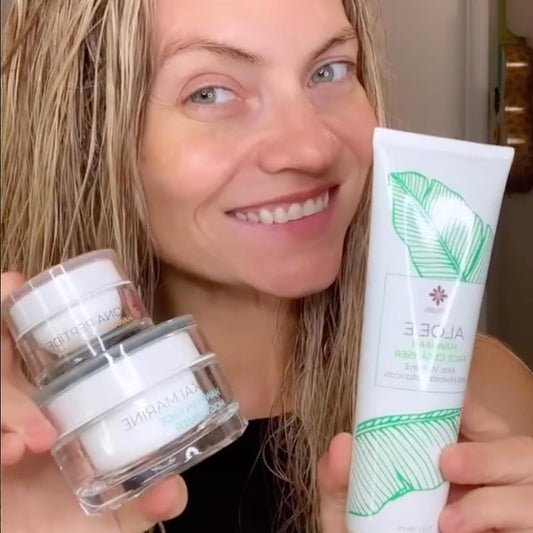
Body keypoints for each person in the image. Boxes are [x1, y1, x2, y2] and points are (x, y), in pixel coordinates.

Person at [1, 1, 532, 532]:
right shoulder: (24, 445)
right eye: (209, 93)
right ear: (88, 135)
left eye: (329, 70)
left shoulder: (481, 407)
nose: (312, 149)